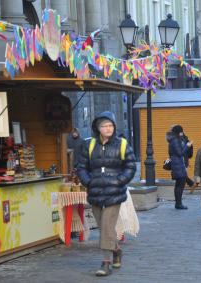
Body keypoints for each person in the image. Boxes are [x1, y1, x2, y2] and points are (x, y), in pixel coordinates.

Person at [77, 111, 136, 276]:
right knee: (104, 228)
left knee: (107, 226)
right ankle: (116, 250)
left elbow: (130, 166)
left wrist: (119, 181)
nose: (108, 128)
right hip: (95, 191)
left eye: (110, 125)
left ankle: (106, 262)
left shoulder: (122, 144)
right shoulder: (89, 145)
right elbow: (81, 166)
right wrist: (88, 181)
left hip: (114, 193)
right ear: (98, 128)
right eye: (104, 126)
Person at [167, 125, 193, 210]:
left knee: (179, 184)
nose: (182, 133)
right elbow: (180, 153)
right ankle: (178, 204)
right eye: (181, 131)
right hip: (177, 164)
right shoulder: (175, 141)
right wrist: (187, 146)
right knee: (180, 184)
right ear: (179, 132)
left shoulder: (174, 140)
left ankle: (178, 203)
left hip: (177, 164)